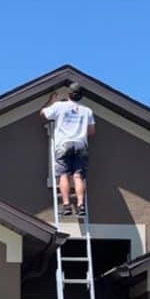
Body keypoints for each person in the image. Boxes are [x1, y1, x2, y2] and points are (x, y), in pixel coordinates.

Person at [41, 83, 95, 217]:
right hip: (81, 145)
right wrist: (79, 129)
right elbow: (92, 131)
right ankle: (81, 205)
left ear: (69, 94)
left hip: (63, 145)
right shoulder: (87, 111)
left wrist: (52, 100)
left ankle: (66, 206)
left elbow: (43, 113)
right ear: (81, 96)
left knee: (64, 175)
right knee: (78, 176)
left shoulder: (60, 106)